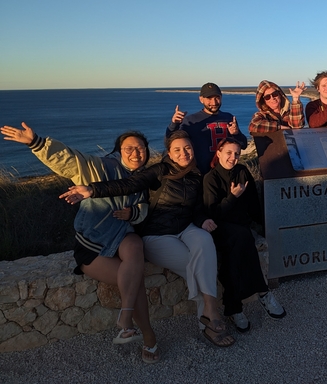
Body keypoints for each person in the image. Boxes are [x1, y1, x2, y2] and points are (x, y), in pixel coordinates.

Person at [0, 123, 158, 363]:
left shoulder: (142, 178)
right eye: (130, 148)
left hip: (122, 237)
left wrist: (132, 213)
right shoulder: (100, 167)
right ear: (118, 151)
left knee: (135, 245)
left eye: (141, 148)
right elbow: (71, 160)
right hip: (93, 246)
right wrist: (37, 143)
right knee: (133, 282)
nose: (136, 153)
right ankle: (149, 337)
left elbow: (143, 208)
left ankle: (125, 320)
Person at [60, 130, 235, 348]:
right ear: (169, 153)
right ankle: (210, 320)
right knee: (198, 266)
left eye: (187, 148)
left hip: (184, 228)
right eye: (177, 149)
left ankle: (209, 309)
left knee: (204, 241)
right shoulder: (159, 170)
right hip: (157, 234)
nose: (184, 153)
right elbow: (128, 185)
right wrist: (92, 190)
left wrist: (203, 220)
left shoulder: (197, 175)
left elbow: (197, 208)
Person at [202, 138, 286, 332]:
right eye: (229, 153)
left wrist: (265, 225)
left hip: (240, 228)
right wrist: (233, 197)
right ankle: (264, 294)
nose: (233, 157)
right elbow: (213, 213)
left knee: (233, 257)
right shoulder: (211, 178)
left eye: (237, 154)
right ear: (219, 153)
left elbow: (253, 204)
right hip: (220, 228)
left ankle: (234, 308)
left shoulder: (242, 172)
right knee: (242, 237)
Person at [167, 82, 248, 174]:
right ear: (201, 99)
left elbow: (243, 144)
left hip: (225, 172)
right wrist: (174, 124)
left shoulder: (229, 118)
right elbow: (170, 141)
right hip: (201, 173)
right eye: (209, 98)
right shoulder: (191, 121)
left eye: (217, 98)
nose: (214, 102)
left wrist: (236, 134)